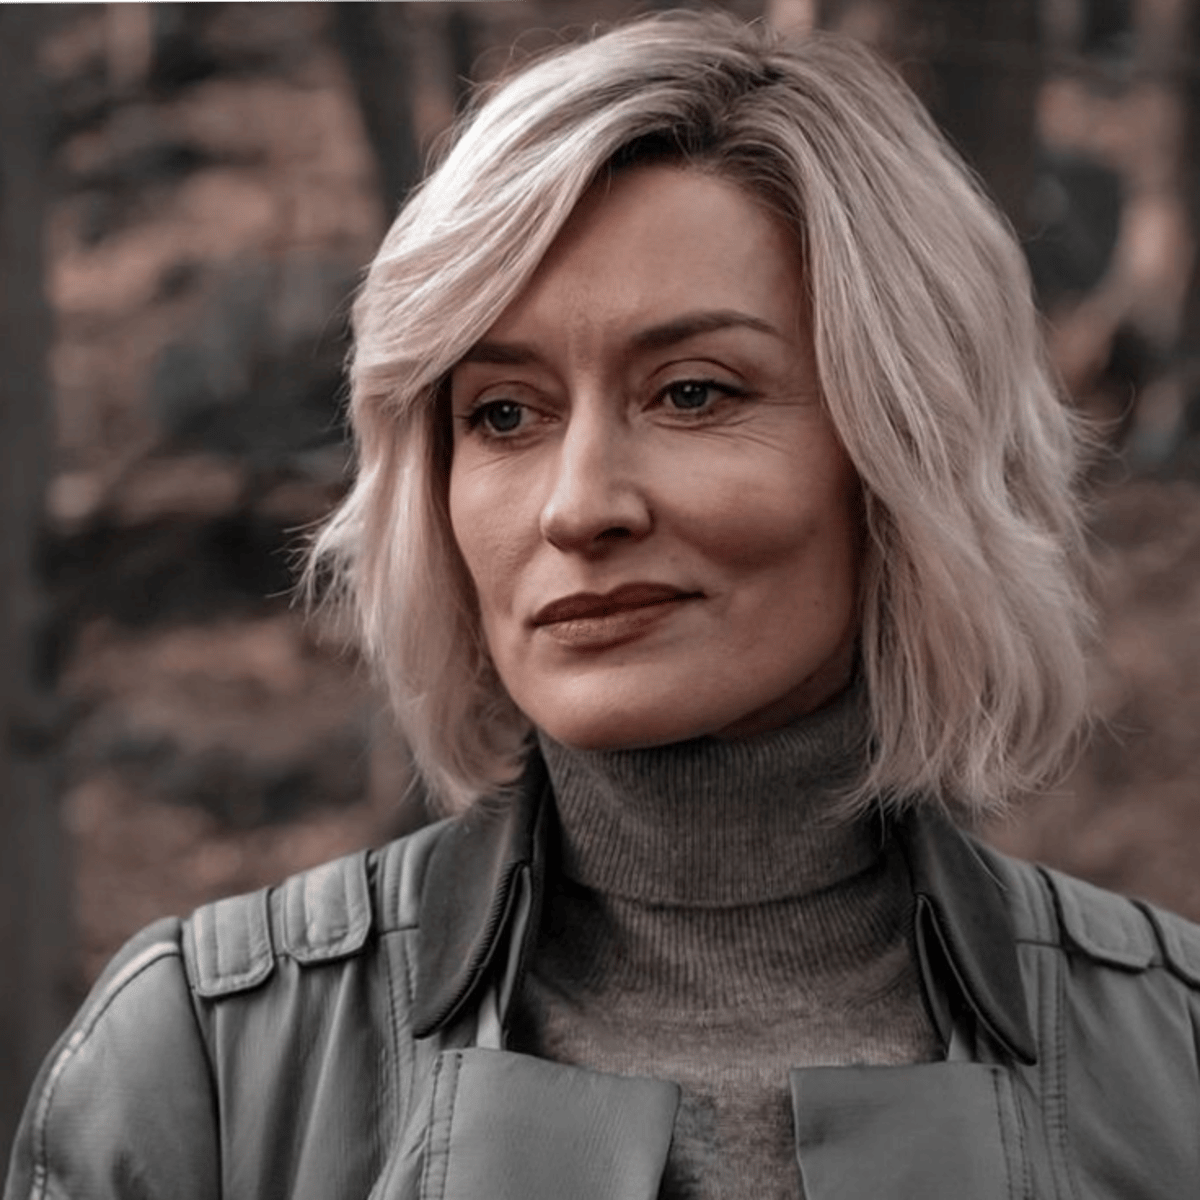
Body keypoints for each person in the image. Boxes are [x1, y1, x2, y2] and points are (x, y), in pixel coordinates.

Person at [7, 11, 1200, 1200]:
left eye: (692, 392)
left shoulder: (1174, 1063)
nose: (578, 507)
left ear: (907, 447)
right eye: (504, 414)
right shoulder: (204, 1070)